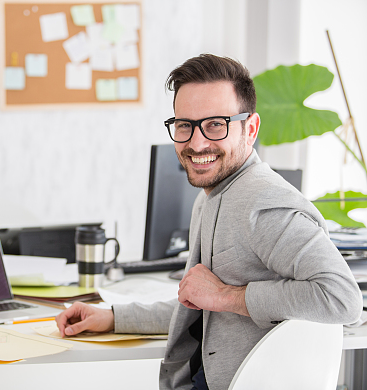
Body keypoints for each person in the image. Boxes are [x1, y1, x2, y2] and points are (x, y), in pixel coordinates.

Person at [55, 54, 363, 390]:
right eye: (185, 125)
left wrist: (225, 296)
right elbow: (201, 306)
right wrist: (115, 317)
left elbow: (342, 299)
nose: (196, 142)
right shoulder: (212, 196)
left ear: (251, 128)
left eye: (215, 124)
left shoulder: (265, 203)